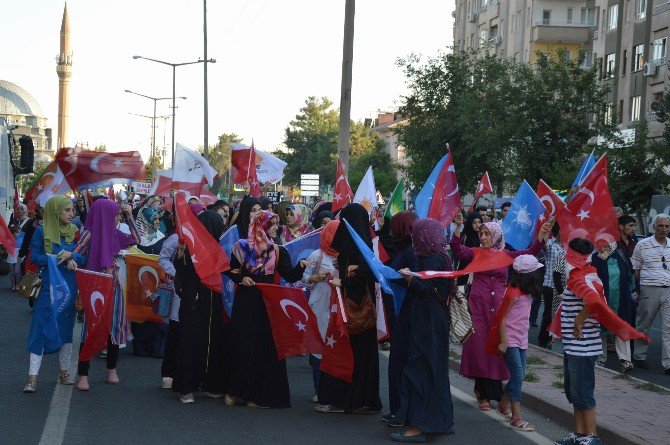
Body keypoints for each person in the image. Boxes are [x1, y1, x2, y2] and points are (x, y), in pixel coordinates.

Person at [450, 211, 550, 411]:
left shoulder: (506, 255)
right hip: (478, 307)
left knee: (496, 349)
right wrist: (459, 228)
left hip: (500, 309)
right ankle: (482, 393)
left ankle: (495, 393)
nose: (484, 237)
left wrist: (541, 237)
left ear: (496, 236)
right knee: (480, 349)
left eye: (488, 234)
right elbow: (456, 249)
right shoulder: (475, 253)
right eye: (482, 234)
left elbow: (529, 253)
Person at [224, 210, 307, 408]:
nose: (276, 227)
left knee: (264, 347)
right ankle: (235, 390)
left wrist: (301, 267)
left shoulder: (277, 251)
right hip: (246, 302)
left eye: (277, 224)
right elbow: (231, 270)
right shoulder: (241, 247)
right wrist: (241, 278)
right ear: (261, 225)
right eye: (272, 224)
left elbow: (291, 275)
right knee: (242, 344)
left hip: (267, 304)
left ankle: (258, 395)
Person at [392, 218, 454, 442]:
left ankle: (417, 426)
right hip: (434, 320)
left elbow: (428, 290)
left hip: (427, 322)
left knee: (419, 370)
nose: (413, 238)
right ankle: (440, 421)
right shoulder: (441, 256)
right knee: (434, 370)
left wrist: (409, 279)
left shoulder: (433, 259)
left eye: (417, 234)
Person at [316, 203, 382, 414]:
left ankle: (347, 399)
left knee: (350, 353)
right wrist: (343, 266)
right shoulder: (357, 243)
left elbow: (368, 273)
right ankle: (357, 399)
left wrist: (343, 281)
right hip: (354, 308)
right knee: (357, 355)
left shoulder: (361, 246)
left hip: (355, 309)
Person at [74, 199, 140, 391]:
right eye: (116, 214)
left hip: (115, 286)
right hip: (95, 286)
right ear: (105, 214)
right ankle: (83, 374)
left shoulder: (115, 233)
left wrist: (129, 218)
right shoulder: (89, 233)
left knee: (115, 328)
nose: (118, 217)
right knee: (91, 328)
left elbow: (136, 240)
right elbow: (77, 254)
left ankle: (111, 369)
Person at [23, 196, 84, 393]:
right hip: (48, 287)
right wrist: (56, 257)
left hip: (69, 287)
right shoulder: (41, 231)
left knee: (66, 330)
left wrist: (73, 256)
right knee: (40, 328)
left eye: (72, 210)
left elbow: (84, 256)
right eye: (67, 210)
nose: (71, 213)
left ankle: (64, 373)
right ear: (55, 211)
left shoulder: (75, 233)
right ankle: (32, 378)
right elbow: (35, 257)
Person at [172, 210, 227, 403]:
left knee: (214, 341)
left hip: (215, 298)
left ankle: (211, 383)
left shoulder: (222, 247)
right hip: (195, 298)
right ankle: (186, 386)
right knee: (191, 341)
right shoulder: (191, 246)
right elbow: (181, 268)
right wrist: (181, 250)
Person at [487, 255, 544, 432]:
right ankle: (516, 417)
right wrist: (504, 341)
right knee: (518, 375)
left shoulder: (526, 292)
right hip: (510, 339)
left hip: (521, 339)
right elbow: (501, 318)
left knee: (518, 374)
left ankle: (503, 405)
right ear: (530, 275)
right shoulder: (513, 292)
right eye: (537, 271)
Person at [555, 238, 603, 445]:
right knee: (573, 391)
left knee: (583, 391)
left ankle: (592, 436)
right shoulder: (582, 273)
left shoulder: (582, 275)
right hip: (573, 345)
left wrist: (579, 320)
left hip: (584, 347)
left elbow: (594, 301)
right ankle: (580, 433)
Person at [384, 211, 420, 425]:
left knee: (400, 364)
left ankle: (401, 411)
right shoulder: (407, 250)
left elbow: (401, 278)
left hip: (404, 313)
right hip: (402, 312)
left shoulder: (409, 253)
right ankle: (398, 409)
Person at [301, 220, 340, 402]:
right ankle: (319, 389)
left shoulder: (345, 255)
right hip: (320, 300)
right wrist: (315, 277)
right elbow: (304, 278)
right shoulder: (317, 255)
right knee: (319, 344)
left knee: (335, 344)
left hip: (338, 302)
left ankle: (335, 387)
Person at [631, 213, 670, 373]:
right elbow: (636, 269)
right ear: (653, 226)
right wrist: (641, 288)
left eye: (667, 226)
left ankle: (668, 364)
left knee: (668, 327)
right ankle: (639, 356)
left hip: (668, 290)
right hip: (649, 288)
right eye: (660, 226)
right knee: (644, 323)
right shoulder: (643, 245)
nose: (663, 229)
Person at [591, 243, 636, 373]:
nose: (607, 246)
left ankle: (625, 360)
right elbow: (592, 275)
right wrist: (600, 259)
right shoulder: (595, 258)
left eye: (609, 243)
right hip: (603, 299)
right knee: (601, 328)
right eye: (603, 243)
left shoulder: (620, 255)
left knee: (622, 326)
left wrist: (634, 290)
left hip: (621, 299)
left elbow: (630, 273)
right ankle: (600, 358)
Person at [157, 230, 180, 390]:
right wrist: (178, 274)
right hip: (178, 289)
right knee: (175, 332)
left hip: (198, 292)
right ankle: (168, 373)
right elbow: (163, 258)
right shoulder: (177, 237)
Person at [538, 222, 564, 348]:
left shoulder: (570, 245)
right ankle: (543, 340)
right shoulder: (551, 244)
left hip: (563, 287)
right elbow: (542, 245)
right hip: (549, 284)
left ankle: (556, 340)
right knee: (548, 314)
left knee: (560, 315)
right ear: (559, 232)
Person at [456, 213, 483, 286]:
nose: (477, 225)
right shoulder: (464, 236)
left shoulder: (483, 236)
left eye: (479, 222)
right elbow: (456, 248)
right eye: (474, 223)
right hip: (466, 269)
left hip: (479, 270)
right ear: (469, 223)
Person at [7, 225, 23, 291]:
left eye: (19, 232)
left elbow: (23, 248)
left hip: (18, 258)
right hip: (11, 258)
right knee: (12, 272)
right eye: (17, 232)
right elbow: (7, 248)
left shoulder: (21, 239)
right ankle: (13, 285)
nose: (18, 234)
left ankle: (18, 284)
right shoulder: (9, 239)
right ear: (13, 232)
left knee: (17, 272)